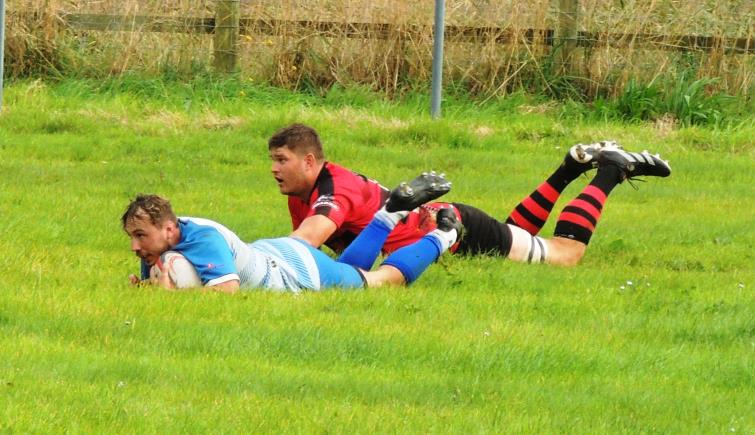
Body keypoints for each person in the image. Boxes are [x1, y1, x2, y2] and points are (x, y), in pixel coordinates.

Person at [268, 123, 671, 268]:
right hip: (451, 224)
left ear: (309, 161)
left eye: (281, 160)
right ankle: (569, 167)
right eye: (272, 160)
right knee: (513, 233)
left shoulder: (333, 192)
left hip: (459, 231)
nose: (274, 168)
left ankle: (611, 170)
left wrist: (251, 260)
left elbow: (301, 247)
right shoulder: (300, 189)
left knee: (565, 254)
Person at [123, 172, 462, 292]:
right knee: (351, 270)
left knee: (382, 281)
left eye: (140, 235)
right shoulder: (163, 243)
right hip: (277, 252)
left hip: (297, 271)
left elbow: (226, 292)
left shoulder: (202, 240)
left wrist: (172, 299)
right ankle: (389, 213)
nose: (135, 246)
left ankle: (446, 235)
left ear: (168, 228)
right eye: (133, 237)